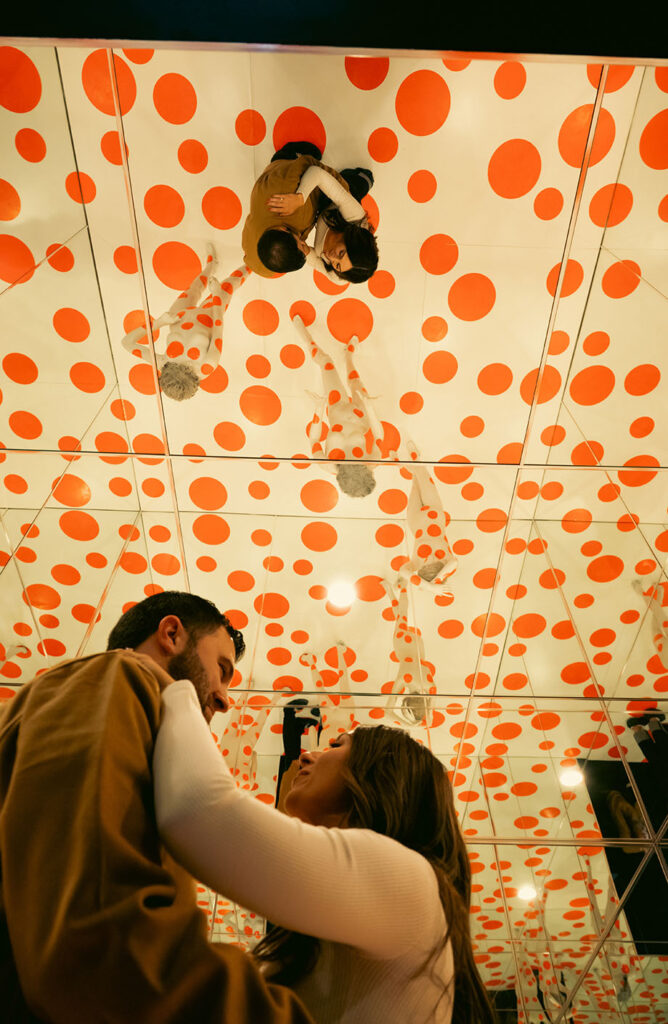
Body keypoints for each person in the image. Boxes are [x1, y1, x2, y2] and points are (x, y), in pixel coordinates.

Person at [0, 590, 314, 1024]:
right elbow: (106, 943)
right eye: (221, 670)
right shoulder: (118, 675)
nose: (224, 699)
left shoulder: (88, 694)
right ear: (171, 633)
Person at [154, 687, 496, 1023]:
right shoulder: (324, 932)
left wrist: (177, 689)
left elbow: (197, 811)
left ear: (382, 774)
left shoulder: (411, 882)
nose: (307, 755)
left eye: (336, 745)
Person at [121, 245, 249, 400]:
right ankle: (251, 264)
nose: (183, 362)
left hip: (178, 315)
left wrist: (159, 322)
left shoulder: (163, 363)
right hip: (208, 316)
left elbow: (127, 342)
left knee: (195, 286)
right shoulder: (207, 366)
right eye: (186, 366)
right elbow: (218, 327)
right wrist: (216, 296)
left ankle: (211, 265)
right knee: (228, 285)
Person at [293, 313, 399, 497]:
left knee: (326, 362)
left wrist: (318, 409)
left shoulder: (326, 464)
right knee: (354, 380)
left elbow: (314, 440)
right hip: (361, 412)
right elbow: (378, 435)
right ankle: (349, 356)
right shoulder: (371, 463)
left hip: (336, 407)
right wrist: (370, 408)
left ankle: (305, 336)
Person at [243, 142, 378, 282]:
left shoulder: (336, 275)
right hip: (336, 206)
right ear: (352, 241)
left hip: (319, 204)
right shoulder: (355, 217)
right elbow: (317, 173)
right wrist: (300, 198)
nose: (331, 256)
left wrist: (306, 251)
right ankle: (356, 178)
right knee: (365, 180)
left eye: (336, 265)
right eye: (341, 253)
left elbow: (314, 261)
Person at [404, 443, 458, 591]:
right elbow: (454, 563)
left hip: (415, 519)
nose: (431, 558)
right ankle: (415, 457)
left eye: (426, 563)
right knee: (422, 475)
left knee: (415, 484)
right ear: (441, 570)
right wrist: (436, 582)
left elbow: (403, 572)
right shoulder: (448, 560)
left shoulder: (415, 564)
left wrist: (429, 587)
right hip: (434, 512)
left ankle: (412, 464)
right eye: (434, 562)